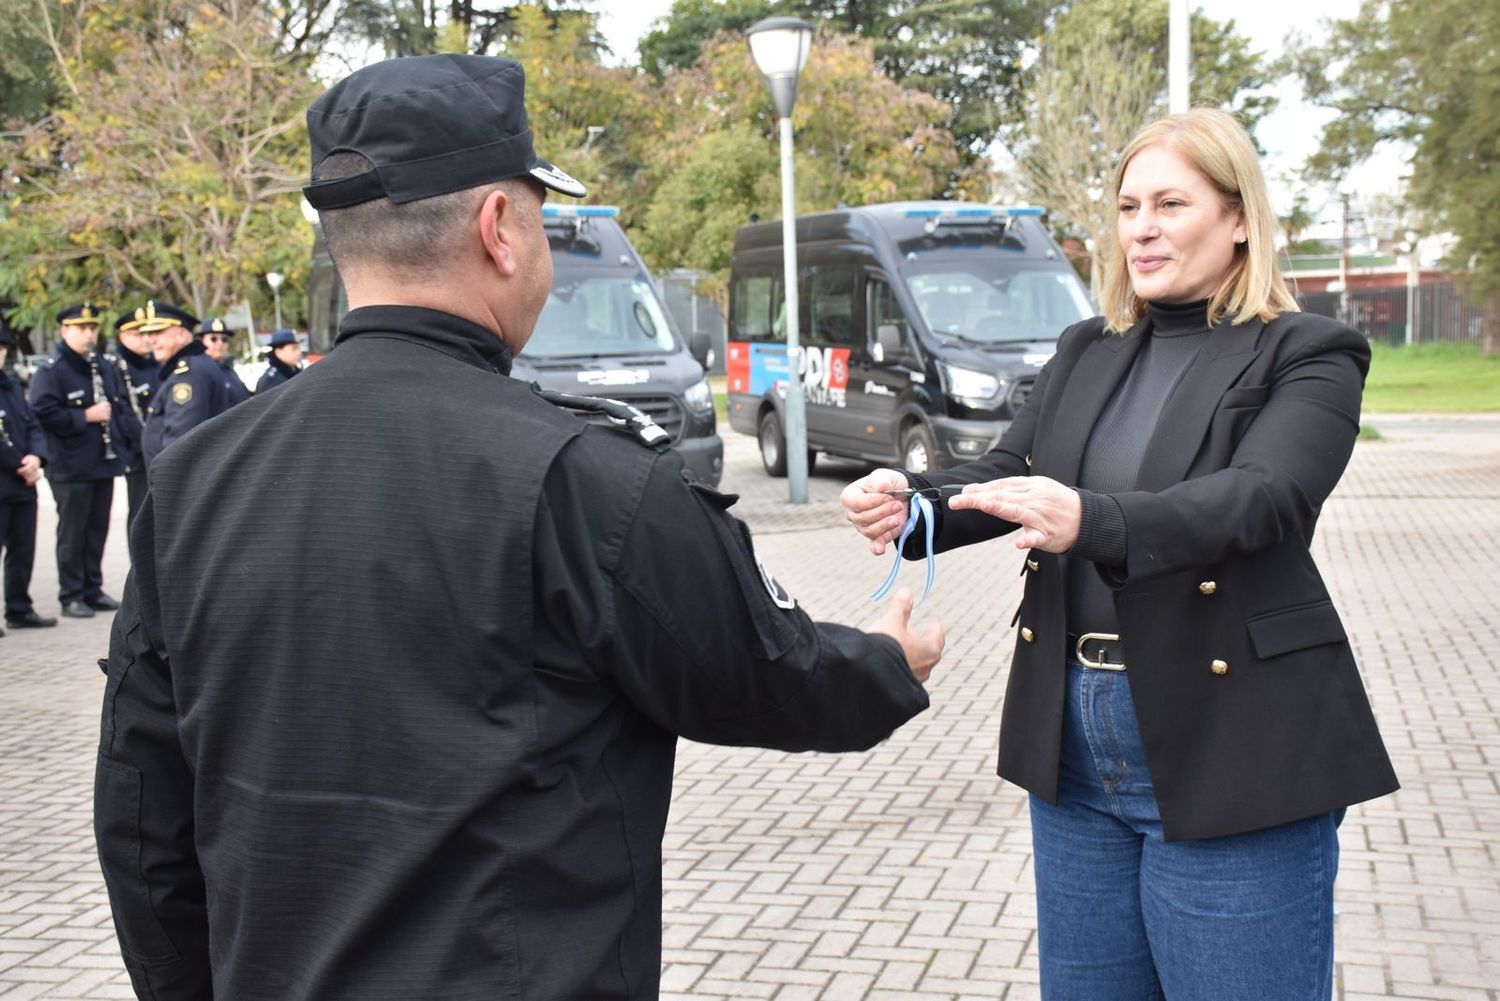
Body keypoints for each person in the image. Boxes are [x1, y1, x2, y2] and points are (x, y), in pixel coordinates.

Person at [94, 54, 943, 1001]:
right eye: (541, 218)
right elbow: (757, 672)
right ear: (501, 228)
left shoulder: (194, 480)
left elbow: (141, 812)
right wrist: (884, 662)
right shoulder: (583, 479)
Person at [841, 108, 1399, 1001]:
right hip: (1072, 735)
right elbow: (1012, 471)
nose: (1141, 226)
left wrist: (1096, 520)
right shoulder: (1086, 349)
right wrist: (914, 507)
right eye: (1128, 204)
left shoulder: (1309, 351)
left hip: (1233, 737)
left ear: (1240, 217)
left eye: (1171, 203)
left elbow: (1266, 496)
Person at [27, 303, 139, 619]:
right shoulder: (53, 369)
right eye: (81, 328)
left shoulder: (100, 364)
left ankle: (92, 587)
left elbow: (117, 405)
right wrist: (84, 416)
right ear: (64, 330)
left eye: (92, 328)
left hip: (102, 461)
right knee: (73, 532)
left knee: (97, 528)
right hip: (70, 464)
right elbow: (42, 413)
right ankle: (71, 594)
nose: (89, 334)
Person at [0, 327, 54, 633]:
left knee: (23, 550)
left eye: (2, 348)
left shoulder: (10, 386)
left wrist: (36, 457)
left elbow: (32, 424)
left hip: (23, 483)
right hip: (6, 478)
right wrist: (20, 462)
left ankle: (19, 608)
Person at [137, 300, 229, 466]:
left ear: (182, 335)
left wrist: (166, 484)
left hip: (179, 483)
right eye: (149, 334)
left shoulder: (189, 373)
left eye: (158, 332)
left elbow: (179, 442)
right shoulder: (195, 365)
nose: (152, 340)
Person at [108, 310, 158, 525]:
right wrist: (145, 444)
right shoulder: (117, 367)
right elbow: (123, 413)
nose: (146, 339)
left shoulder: (156, 363)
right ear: (123, 337)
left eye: (149, 332)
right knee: (141, 512)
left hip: (159, 447)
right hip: (138, 452)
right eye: (138, 333)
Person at [197, 317, 251, 406]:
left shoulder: (228, 369)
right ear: (202, 341)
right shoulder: (198, 371)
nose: (220, 343)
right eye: (213, 339)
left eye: (224, 339)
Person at [253, 327, 303, 392]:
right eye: (294, 349)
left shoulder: (295, 372)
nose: (299, 352)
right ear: (279, 353)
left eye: (299, 348)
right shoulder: (271, 382)